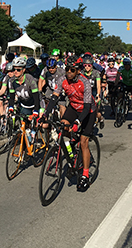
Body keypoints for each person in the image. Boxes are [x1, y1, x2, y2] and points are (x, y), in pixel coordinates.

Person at [42, 56, 97, 191]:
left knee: (84, 141)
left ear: (78, 70)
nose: (69, 72)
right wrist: (44, 115)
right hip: (73, 107)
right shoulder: (62, 80)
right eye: (67, 69)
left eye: (72, 70)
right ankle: (72, 143)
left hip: (88, 110)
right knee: (63, 126)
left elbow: (86, 107)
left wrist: (78, 122)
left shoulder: (85, 82)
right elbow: (54, 98)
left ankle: (84, 174)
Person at [81, 56, 104, 129]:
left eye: (89, 65)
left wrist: (98, 95)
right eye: (85, 65)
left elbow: (98, 85)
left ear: (92, 65)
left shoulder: (95, 73)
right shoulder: (81, 73)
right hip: (85, 93)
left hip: (94, 91)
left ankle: (101, 119)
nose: (87, 67)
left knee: (96, 112)